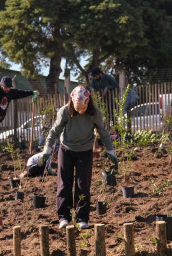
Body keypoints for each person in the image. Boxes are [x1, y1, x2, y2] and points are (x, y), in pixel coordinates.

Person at [42, 86, 117, 230]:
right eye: (78, 109)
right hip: (66, 150)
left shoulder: (95, 113)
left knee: (83, 184)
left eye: (83, 108)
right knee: (64, 183)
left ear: (88, 103)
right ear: (72, 102)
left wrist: (111, 150)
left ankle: (82, 218)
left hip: (85, 151)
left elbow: (103, 132)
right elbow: (54, 131)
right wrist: (47, 149)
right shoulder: (64, 111)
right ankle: (63, 217)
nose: (81, 111)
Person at [0, 77, 37, 173]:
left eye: (9, 87)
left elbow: (19, 93)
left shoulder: (10, 92)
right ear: (1, 85)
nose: (7, 89)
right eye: (6, 87)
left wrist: (32, 93)